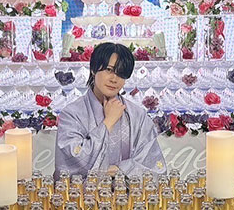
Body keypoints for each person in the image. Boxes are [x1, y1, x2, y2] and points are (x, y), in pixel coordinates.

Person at [55, 43, 166, 178]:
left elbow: (152, 164)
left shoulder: (137, 115)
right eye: (109, 70)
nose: (114, 79)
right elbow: (73, 162)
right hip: (85, 192)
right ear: (93, 69)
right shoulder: (72, 114)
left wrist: (119, 169)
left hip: (130, 191)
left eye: (121, 74)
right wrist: (108, 122)